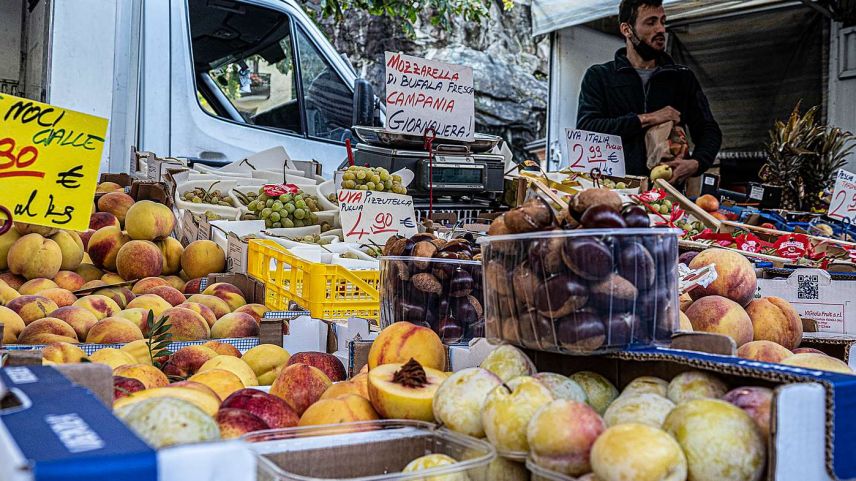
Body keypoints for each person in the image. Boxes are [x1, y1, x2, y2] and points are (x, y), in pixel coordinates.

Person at [576, 0, 722, 184]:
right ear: (627, 29)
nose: (661, 29)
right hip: (617, 191)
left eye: (662, 21)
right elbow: (587, 129)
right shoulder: (599, 76)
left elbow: (709, 130)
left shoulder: (682, 78)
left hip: (668, 193)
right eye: (651, 22)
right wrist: (649, 118)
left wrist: (696, 162)